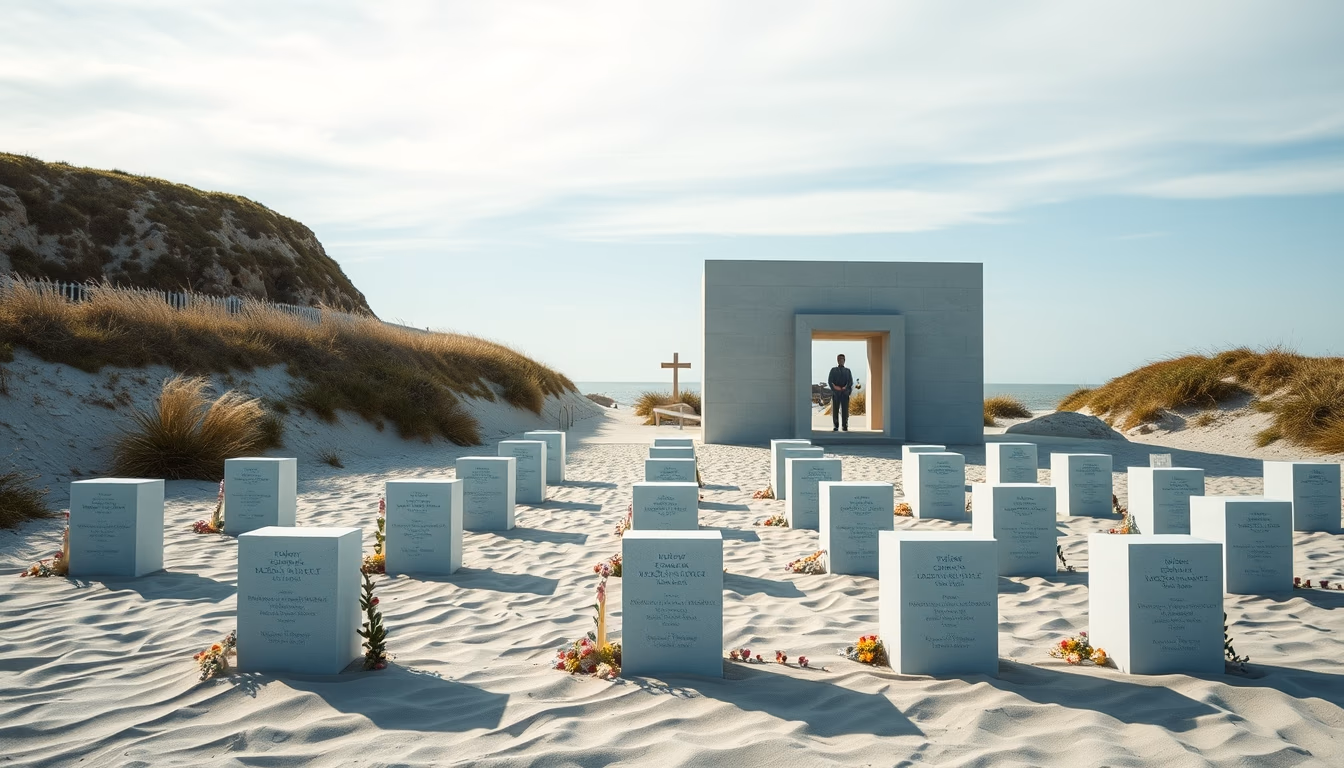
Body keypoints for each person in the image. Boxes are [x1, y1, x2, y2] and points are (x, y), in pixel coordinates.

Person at [828, 353, 854, 432]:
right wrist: (835, 387)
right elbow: (830, 381)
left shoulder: (847, 371)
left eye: (842, 359)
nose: (841, 360)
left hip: (845, 393)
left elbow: (850, 382)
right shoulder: (833, 370)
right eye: (839, 359)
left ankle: (844, 425)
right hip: (836, 393)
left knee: (845, 410)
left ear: (844, 360)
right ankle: (835, 426)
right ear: (837, 360)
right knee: (835, 410)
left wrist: (845, 387)